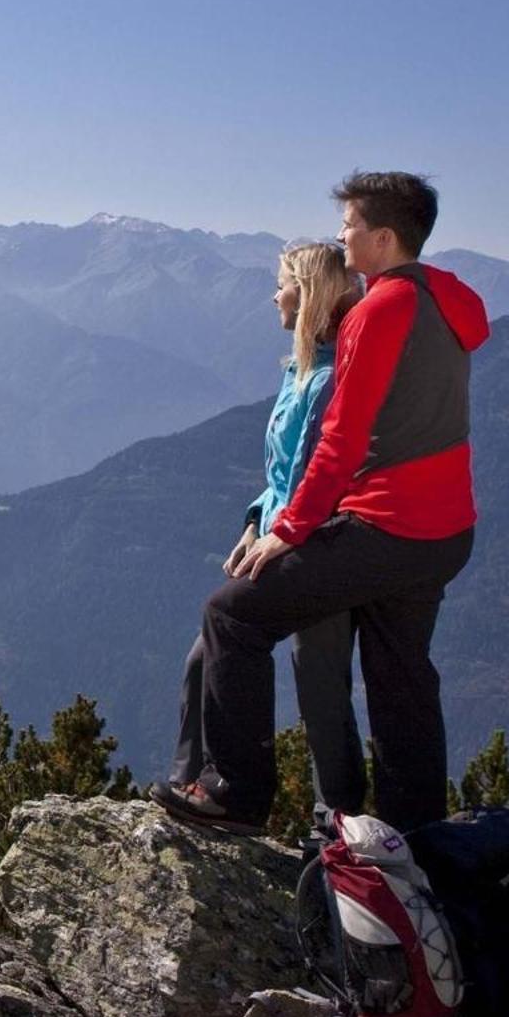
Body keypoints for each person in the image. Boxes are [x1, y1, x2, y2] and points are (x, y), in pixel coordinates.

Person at [154, 171, 489, 836]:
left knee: (232, 617)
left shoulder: (380, 310)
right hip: (447, 529)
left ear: (384, 237)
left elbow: (342, 437)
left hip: (386, 524)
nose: (343, 235)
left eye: (351, 226)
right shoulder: (449, 298)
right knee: (401, 678)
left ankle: (235, 792)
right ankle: (411, 838)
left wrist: (290, 530)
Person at [167, 240, 365, 820]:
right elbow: (282, 476)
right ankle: (194, 784)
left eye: (280, 284)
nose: (273, 295)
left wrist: (272, 536)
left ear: (305, 295)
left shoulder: (327, 379)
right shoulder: (304, 370)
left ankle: (336, 820)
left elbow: (314, 479)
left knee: (320, 683)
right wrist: (256, 520)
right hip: (284, 533)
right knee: (211, 658)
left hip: (317, 544)